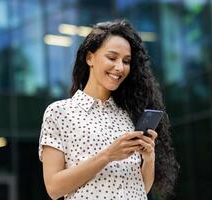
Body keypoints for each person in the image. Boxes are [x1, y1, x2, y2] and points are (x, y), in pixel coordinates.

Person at [38, 19, 179, 200]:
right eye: (112, 58)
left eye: (126, 61)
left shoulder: (129, 114)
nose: (119, 67)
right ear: (90, 58)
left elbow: (140, 189)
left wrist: (149, 157)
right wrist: (108, 155)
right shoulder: (60, 112)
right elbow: (54, 188)